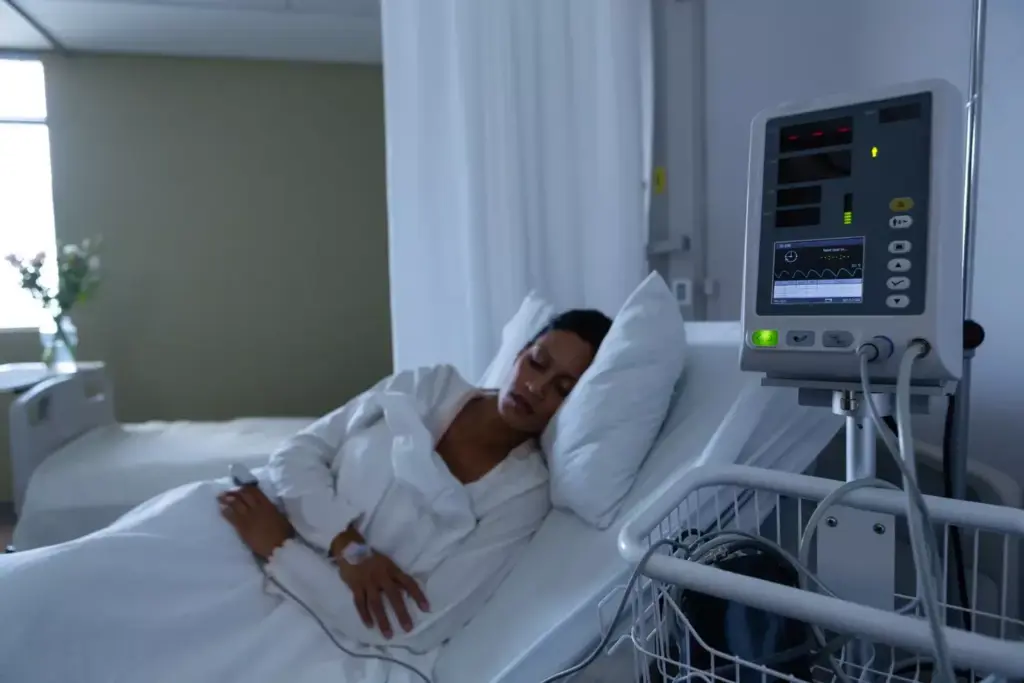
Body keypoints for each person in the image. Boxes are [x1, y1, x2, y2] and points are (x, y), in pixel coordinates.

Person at [0, 309, 612, 683]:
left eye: (562, 387)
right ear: (522, 352)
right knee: (60, 588)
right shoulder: (429, 385)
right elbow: (299, 452)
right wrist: (348, 546)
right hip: (239, 521)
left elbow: (416, 628)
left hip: (307, 605)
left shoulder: (521, 497)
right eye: (536, 362)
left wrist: (283, 551)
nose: (534, 386)